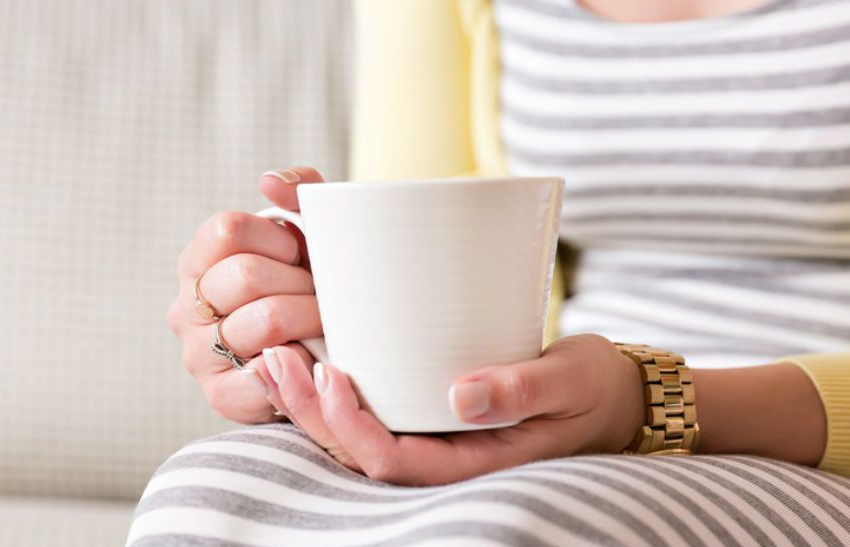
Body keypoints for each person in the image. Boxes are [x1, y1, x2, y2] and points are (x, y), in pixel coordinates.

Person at [165, 0, 850, 485]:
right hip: (555, 432)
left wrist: (647, 406)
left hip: (809, 451)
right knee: (211, 488)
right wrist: (292, 318)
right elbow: (415, 222)